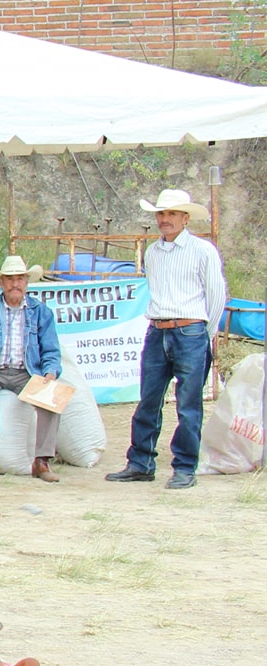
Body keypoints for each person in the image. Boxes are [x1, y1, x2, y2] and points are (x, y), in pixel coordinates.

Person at [108, 188, 227, 490]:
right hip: (159, 328)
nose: (165, 219)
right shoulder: (153, 252)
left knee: (188, 404)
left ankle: (185, 466)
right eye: (161, 214)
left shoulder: (203, 250)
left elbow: (216, 296)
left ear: (185, 218)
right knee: (149, 399)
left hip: (189, 330)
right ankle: (140, 462)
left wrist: (203, 332)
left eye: (171, 213)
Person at [0, 254, 64, 482]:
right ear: (1, 283)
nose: (16, 284)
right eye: (10, 279)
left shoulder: (41, 312)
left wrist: (50, 374)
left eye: (20, 279)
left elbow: (51, 350)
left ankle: (42, 461)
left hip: (27, 373)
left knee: (52, 401)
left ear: (27, 282)